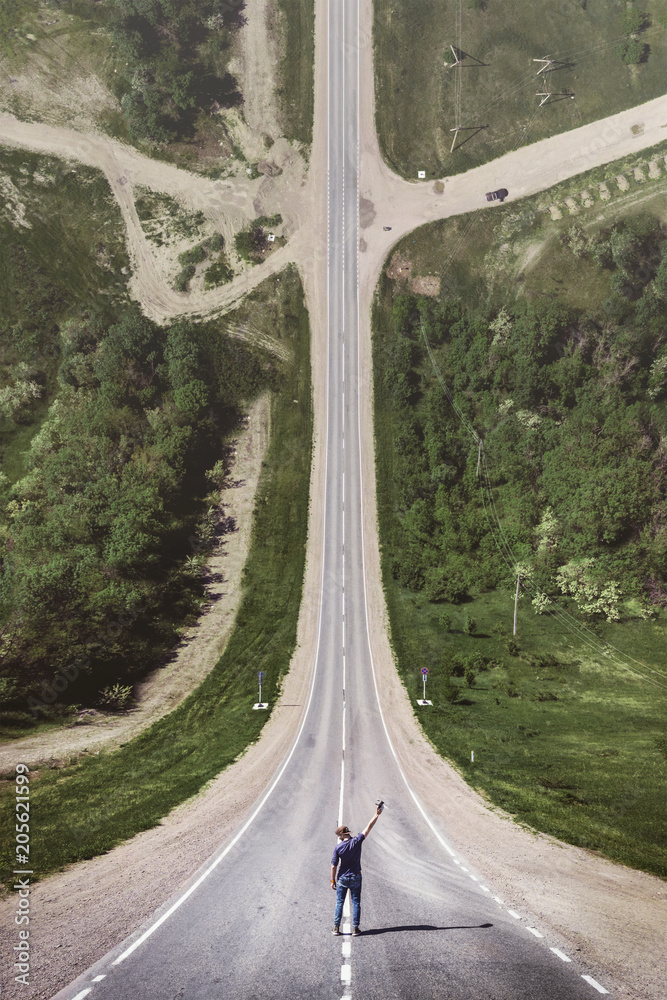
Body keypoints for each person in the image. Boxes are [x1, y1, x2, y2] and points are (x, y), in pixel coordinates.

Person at [330, 803, 382, 936]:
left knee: (340, 902)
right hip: (356, 876)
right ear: (348, 833)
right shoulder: (357, 841)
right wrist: (376, 814)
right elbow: (368, 827)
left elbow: (334, 865)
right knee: (356, 902)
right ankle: (355, 928)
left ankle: (336, 927)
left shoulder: (338, 848)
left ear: (341, 836)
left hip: (342, 878)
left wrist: (332, 880)